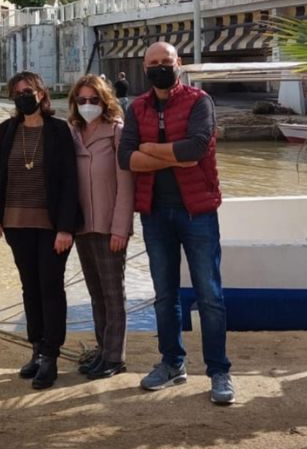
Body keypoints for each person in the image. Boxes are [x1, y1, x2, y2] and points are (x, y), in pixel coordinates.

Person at [118, 41, 234, 405]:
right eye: (152, 63)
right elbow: (127, 158)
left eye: (165, 62)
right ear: (144, 67)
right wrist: (170, 155)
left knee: (209, 296)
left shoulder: (200, 101)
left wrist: (150, 149)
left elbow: (196, 149)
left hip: (197, 212)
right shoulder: (137, 107)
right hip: (155, 213)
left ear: (178, 64)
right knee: (165, 296)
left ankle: (218, 371)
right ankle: (172, 363)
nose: (159, 68)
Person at [0, 71, 80, 389]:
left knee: (51, 287)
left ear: (41, 93)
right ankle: (37, 349)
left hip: (52, 227)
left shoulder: (59, 130)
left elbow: (69, 181)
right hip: (16, 224)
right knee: (30, 287)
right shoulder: (7, 129)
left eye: (28, 90)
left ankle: (51, 355)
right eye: (17, 92)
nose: (23, 95)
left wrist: (66, 227)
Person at [67, 74, 134, 380]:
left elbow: (126, 183)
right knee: (95, 292)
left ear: (104, 100)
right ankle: (102, 349)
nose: (87, 105)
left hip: (110, 226)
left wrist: (121, 227)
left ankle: (114, 357)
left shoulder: (116, 131)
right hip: (82, 225)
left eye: (93, 100)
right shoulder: (72, 132)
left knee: (113, 293)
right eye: (81, 100)